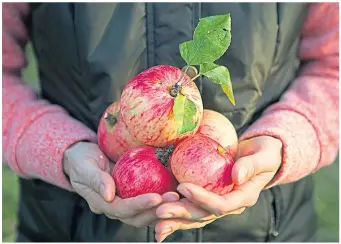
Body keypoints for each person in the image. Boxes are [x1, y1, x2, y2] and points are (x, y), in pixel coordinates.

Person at [2, 2, 339, 242]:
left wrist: (284, 141)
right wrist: (60, 148)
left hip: (267, 229)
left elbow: (333, 68)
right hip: (69, 227)